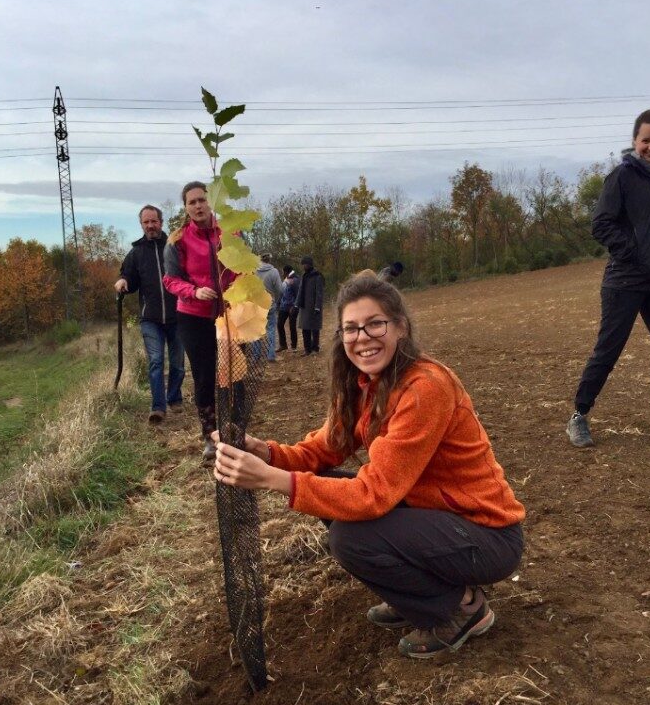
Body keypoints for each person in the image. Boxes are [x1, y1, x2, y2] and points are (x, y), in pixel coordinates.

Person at [213, 270, 524, 659]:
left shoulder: (425, 386)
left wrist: (274, 480)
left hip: (484, 533)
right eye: (351, 328)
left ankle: (459, 608)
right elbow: (321, 451)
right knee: (326, 485)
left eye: (375, 324)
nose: (362, 337)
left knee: (351, 538)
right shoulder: (365, 385)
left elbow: (372, 496)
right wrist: (266, 453)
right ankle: (416, 592)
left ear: (400, 328)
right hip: (437, 516)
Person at [567, 109, 650, 447]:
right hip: (625, 281)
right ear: (634, 141)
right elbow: (601, 223)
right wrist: (634, 252)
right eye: (646, 139)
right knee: (608, 351)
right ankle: (579, 416)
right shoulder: (622, 177)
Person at [163, 181, 237, 462]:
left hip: (228, 315)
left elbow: (242, 269)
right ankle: (210, 435)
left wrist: (238, 294)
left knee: (232, 372)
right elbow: (170, 280)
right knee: (205, 375)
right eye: (192, 202)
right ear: (185, 207)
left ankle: (234, 430)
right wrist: (194, 291)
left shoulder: (230, 233)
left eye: (202, 200)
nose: (198, 206)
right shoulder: (177, 240)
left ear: (210, 202)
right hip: (193, 317)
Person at [114, 205, 185, 424]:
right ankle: (158, 407)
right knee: (155, 361)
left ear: (161, 222)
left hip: (179, 315)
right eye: (146, 222)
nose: (150, 225)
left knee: (177, 363)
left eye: (154, 221)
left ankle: (174, 397)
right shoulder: (136, 252)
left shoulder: (174, 246)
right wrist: (123, 281)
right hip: (150, 318)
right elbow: (129, 278)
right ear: (141, 225)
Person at [294, 255, 324, 356]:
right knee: (305, 328)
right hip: (304, 306)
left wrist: (317, 307)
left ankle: (315, 348)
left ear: (310, 264)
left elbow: (319, 293)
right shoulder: (304, 276)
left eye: (305, 264)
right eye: (303, 264)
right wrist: (296, 305)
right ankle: (307, 349)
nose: (304, 266)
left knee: (314, 328)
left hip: (313, 306)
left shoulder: (317, 276)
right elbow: (300, 291)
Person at [256, 252, 283, 362]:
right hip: (270, 304)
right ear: (269, 260)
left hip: (256, 305)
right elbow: (280, 289)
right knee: (271, 330)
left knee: (256, 331)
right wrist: (275, 299)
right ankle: (270, 356)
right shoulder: (274, 272)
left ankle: (256, 356)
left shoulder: (254, 271)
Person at [277, 264, 300, 353]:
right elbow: (282, 293)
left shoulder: (295, 280)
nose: (282, 273)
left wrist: (294, 306)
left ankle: (294, 346)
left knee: (292, 326)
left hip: (292, 308)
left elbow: (298, 294)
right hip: (283, 307)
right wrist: (278, 303)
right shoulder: (286, 279)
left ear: (286, 271)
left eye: (283, 271)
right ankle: (283, 345)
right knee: (279, 324)